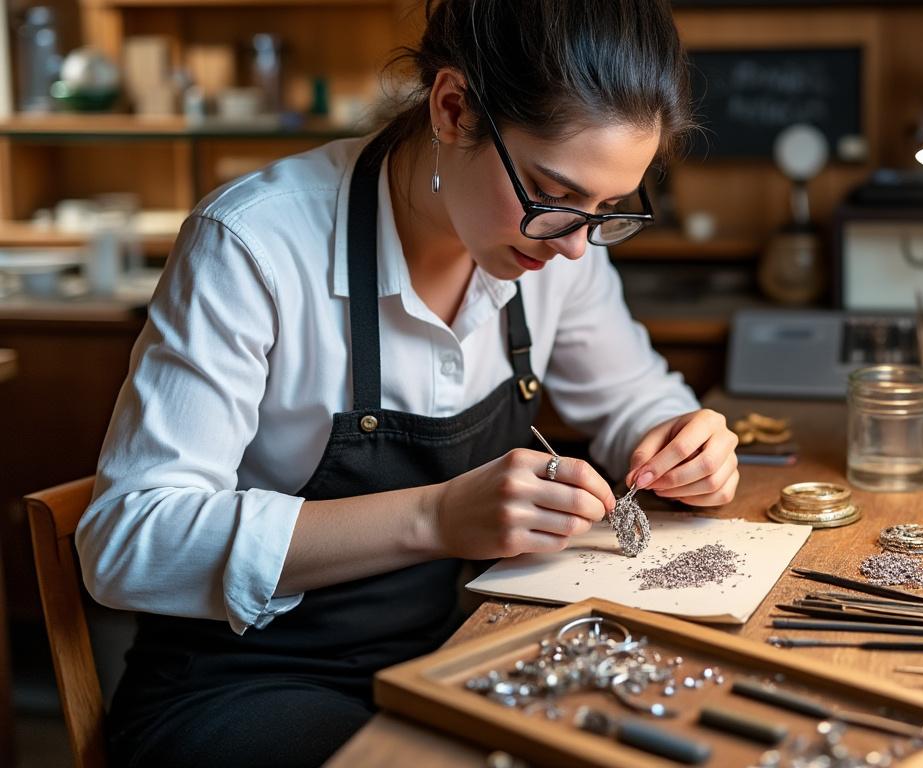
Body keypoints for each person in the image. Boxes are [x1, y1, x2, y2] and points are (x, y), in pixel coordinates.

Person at [76, 1, 739, 765]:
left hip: (448, 657)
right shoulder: (255, 243)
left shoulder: (556, 245)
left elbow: (634, 398)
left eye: (608, 211)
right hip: (244, 683)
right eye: (554, 195)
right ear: (453, 109)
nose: (576, 248)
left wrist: (680, 437)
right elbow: (128, 539)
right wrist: (435, 517)